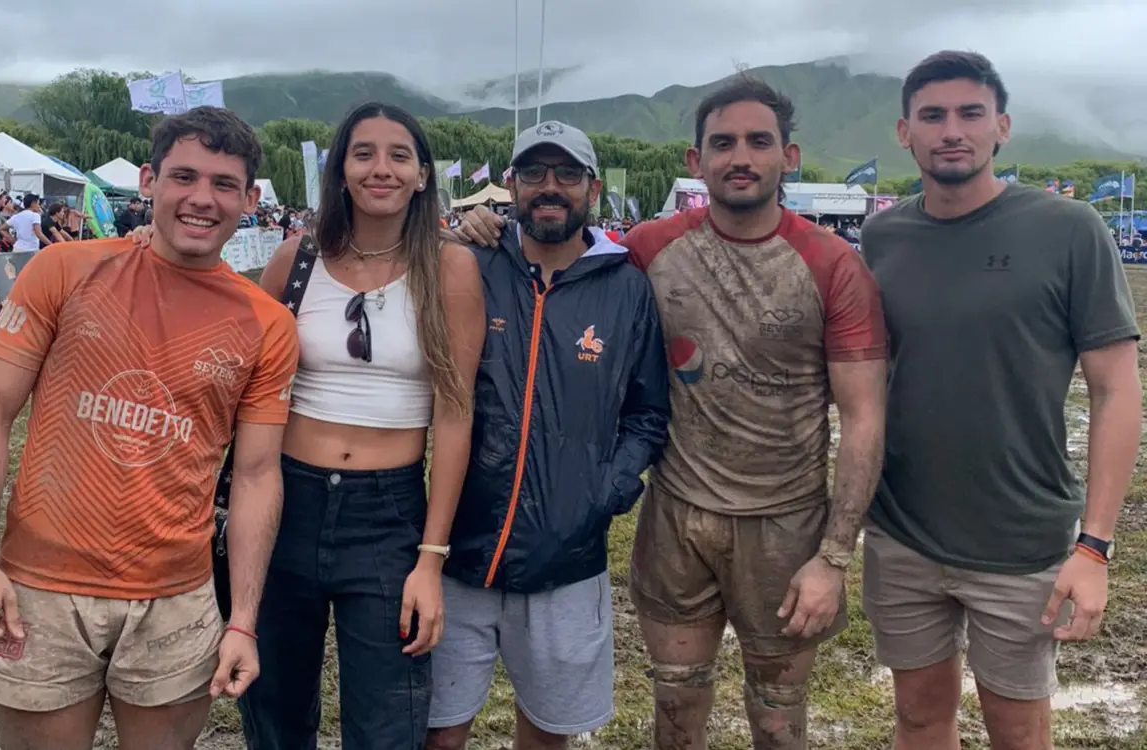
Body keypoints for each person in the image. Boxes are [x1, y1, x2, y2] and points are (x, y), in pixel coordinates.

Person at [450, 79, 888, 750]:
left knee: (777, 712)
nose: (740, 157)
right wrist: (475, 225)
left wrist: (834, 555)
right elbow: (561, 249)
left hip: (783, 521)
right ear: (696, 160)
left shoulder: (832, 264)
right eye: (723, 143)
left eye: (758, 142)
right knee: (676, 704)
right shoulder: (650, 248)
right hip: (678, 516)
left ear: (789, 156)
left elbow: (862, 418)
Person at [0, 105, 300, 750]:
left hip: (176, 596)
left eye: (223, 184)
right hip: (43, 589)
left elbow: (254, 474)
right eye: (183, 177)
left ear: (250, 199)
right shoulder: (65, 270)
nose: (201, 199)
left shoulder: (267, 324)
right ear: (148, 182)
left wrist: (244, 620)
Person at [158, 101, 481, 750]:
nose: (380, 169)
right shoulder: (296, 259)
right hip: (286, 499)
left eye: (399, 155)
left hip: (388, 514)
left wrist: (430, 557)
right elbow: (245, 375)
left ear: (423, 175)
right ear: (339, 171)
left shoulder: (450, 268)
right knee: (274, 707)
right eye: (362, 154)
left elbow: (454, 412)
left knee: (388, 720)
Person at [858, 51, 1143, 750]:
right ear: (905, 133)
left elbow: (1116, 390)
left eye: (970, 113)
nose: (951, 130)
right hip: (902, 533)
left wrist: (1095, 549)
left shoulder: (1069, 230)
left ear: (1002, 127)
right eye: (932, 116)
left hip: (1020, 540)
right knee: (920, 717)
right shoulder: (882, 236)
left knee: (1018, 731)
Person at [424, 122, 670, 750]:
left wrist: (605, 492)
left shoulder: (627, 288)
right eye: (534, 174)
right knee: (437, 732)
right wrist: (450, 231)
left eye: (567, 174)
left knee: (549, 733)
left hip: (567, 559)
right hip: (460, 552)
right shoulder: (471, 265)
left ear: (591, 187)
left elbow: (648, 414)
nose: (550, 188)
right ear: (511, 186)